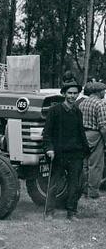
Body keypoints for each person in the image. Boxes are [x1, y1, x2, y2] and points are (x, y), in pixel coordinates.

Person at [43, 81, 90, 219]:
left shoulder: (78, 112)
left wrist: (85, 151)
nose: (72, 96)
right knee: (54, 184)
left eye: (75, 93)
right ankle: (49, 212)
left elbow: (81, 133)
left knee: (74, 185)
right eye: (69, 93)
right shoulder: (54, 111)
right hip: (58, 154)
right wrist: (49, 149)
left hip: (75, 154)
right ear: (64, 94)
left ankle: (71, 212)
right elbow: (47, 133)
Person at [78, 81, 106, 199]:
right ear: (98, 92)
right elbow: (103, 126)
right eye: (103, 90)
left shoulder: (82, 103)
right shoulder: (100, 104)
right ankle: (93, 192)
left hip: (82, 135)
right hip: (95, 135)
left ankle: (83, 189)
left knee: (83, 164)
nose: (104, 93)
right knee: (96, 165)